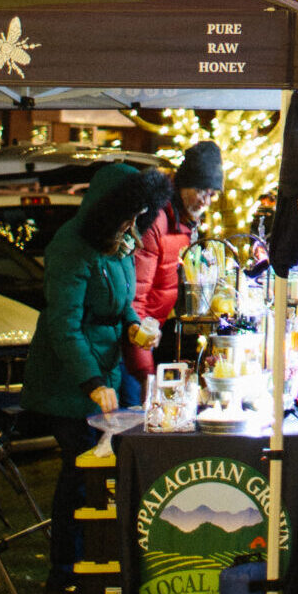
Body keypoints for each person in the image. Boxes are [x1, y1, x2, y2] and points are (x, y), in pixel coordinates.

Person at [21, 162, 173, 594]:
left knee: (98, 466)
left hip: (102, 368)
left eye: (136, 219)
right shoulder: (70, 246)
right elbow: (63, 325)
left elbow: (122, 304)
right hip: (66, 376)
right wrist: (91, 380)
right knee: (78, 468)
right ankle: (65, 568)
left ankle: (96, 555)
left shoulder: (122, 243)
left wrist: (136, 326)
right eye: (126, 218)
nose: (130, 227)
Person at [119, 140, 223, 406]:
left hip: (151, 337)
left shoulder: (184, 223)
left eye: (211, 194)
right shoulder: (159, 221)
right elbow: (136, 297)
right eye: (200, 190)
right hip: (130, 346)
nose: (205, 200)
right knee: (133, 423)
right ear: (181, 184)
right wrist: (145, 373)